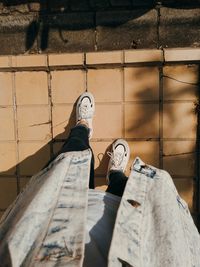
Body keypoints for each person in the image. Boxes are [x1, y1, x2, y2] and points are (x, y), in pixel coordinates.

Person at [0, 92, 200, 267]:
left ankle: (82, 127)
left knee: (71, 161)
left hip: (54, 240)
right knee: (125, 195)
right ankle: (114, 174)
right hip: (127, 244)